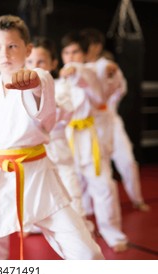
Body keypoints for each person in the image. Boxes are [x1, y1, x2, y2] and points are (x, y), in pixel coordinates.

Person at [0, 15, 104, 260]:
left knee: (86, 252)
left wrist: (34, 81)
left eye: (13, 46)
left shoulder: (39, 77)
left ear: (28, 49)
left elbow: (42, 86)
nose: (5, 54)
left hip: (37, 177)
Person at [59, 31, 128, 252]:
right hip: (68, 139)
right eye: (67, 52)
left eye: (76, 52)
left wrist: (111, 72)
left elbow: (104, 89)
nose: (71, 57)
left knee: (103, 185)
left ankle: (112, 232)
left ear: (85, 53)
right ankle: (81, 233)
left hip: (91, 138)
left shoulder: (92, 72)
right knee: (72, 190)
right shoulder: (59, 81)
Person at [81, 27, 150, 212]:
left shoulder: (106, 64)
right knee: (87, 168)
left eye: (92, 45)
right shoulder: (78, 67)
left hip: (110, 119)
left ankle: (137, 198)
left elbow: (120, 88)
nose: (89, 49)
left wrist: (113, 74)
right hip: (87, 125)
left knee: (127, 161)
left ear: (97, 46)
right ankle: (87, 209)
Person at [26, 37, 90, 228]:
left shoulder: (62, 86)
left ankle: (81, 226)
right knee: (33, 194)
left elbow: (65, 109)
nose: (34, 66)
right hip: (33, 154)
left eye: (41, 62)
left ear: (53, 63)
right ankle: (31, 225)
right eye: (30, 62)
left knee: (72, 194)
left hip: (59, 151)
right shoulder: (21, 90)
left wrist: (44, 101)